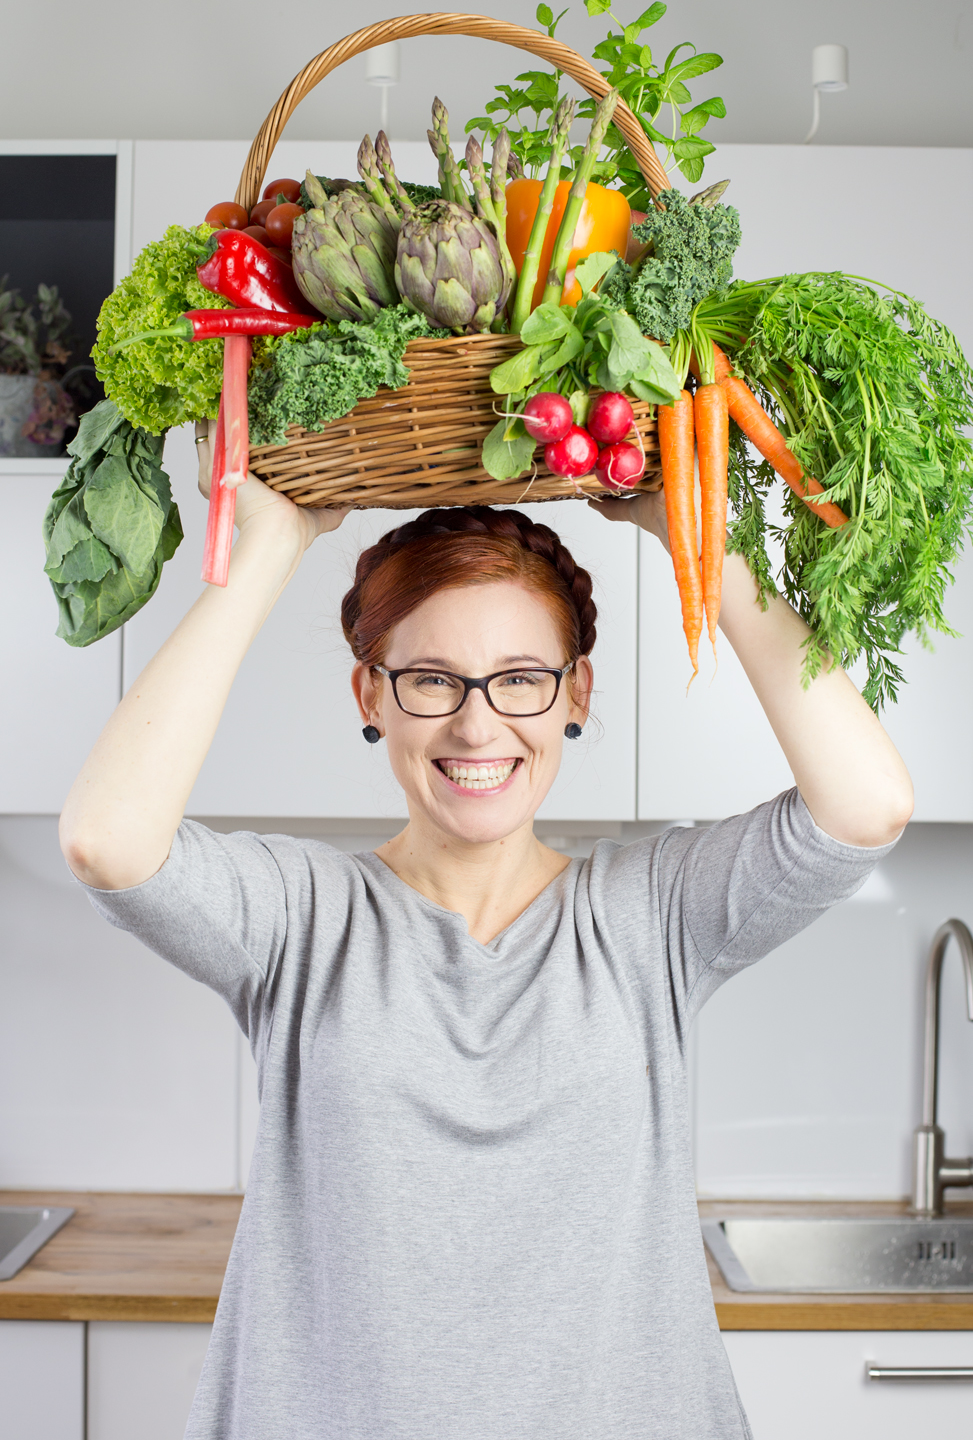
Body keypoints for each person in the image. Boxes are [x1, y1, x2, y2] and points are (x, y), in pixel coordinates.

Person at [60, 434, 913, 1440]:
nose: (477, 725)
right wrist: (270, 548)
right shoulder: (301, 917)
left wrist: (700, 539)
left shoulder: (649, 915)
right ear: (370, 695)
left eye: (520, 678)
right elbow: (108, 839)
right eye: (430, 679)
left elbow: (864, 805)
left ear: (576, 693)